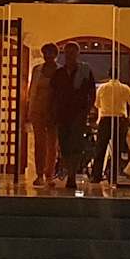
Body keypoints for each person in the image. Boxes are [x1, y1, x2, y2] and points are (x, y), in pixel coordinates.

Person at [50, 42, 96, 190]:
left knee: (76, 143)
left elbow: (92, 92)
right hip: (62, 114)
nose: (70, 55)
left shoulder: (85, 71)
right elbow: (53, 94)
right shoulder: (59, 73)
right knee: (64, 145)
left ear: (77, 54)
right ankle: (68, 171)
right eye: (67, 52)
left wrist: (87, 109)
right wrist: (53, 112)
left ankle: (72, 176)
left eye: (72, 52)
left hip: (78, 113)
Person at [24, 43, 59, 186]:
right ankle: (39, 174)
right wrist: (29, 110)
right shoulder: (37, 70)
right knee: (39, 143)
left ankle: (49, 173)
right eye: (46, 53)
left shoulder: (60, 70)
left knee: (52, 144)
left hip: (54, 111)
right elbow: (32, 91)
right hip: (38, 110)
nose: (48, 56)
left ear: (55, 55)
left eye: (51, 53)